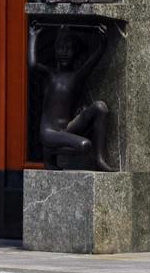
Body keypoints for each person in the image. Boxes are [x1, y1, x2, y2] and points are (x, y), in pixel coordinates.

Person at [28, 23, 114, 171]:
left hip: (67, 129)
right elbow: (33, 64)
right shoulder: (50, 75)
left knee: (100, 107)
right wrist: (33, 36)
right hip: (50, 132)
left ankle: (100, 159)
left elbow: (93, 61)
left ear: (75, 52)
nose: (64, 52)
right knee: (85, 145)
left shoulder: (77, 76)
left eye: (69, 48)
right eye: (60, 48)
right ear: (55, 51)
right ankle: (49, 151)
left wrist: (103, 43)